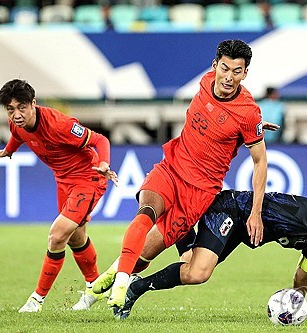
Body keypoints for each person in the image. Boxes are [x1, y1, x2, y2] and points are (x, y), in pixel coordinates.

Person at [104, 39, 272, 310]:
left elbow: (260, 162)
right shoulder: (205, 81)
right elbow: (217, 117)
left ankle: (113, 277)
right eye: (224, 69)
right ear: (214, 66)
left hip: (198, 191)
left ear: (245, 73)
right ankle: (104, 288)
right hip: (172, 168)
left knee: (147, 251)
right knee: (146, 210)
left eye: (237, 71)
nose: (228, 77)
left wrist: (256, 211)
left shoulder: (249, 114)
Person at [111, 189, 307, 320]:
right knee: (199, 272)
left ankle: (137, 285)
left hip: (242, 232)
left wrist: (295, 303)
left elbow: (304, 272)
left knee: (192, 270)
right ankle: (176, 218)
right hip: (233, 209)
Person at [0, 79, 118, 313]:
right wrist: (8, 151)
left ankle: (36, 300)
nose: (16, 114)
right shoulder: (15, 123)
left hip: (88, 178)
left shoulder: (59, 124)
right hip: (63, 180)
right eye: (10, 109)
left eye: (22, 108)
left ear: (33, 103)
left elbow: (100, 140)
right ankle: (96, 287)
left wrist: (105, 163)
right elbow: (18, 135)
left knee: (57, 236)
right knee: (76, 237)